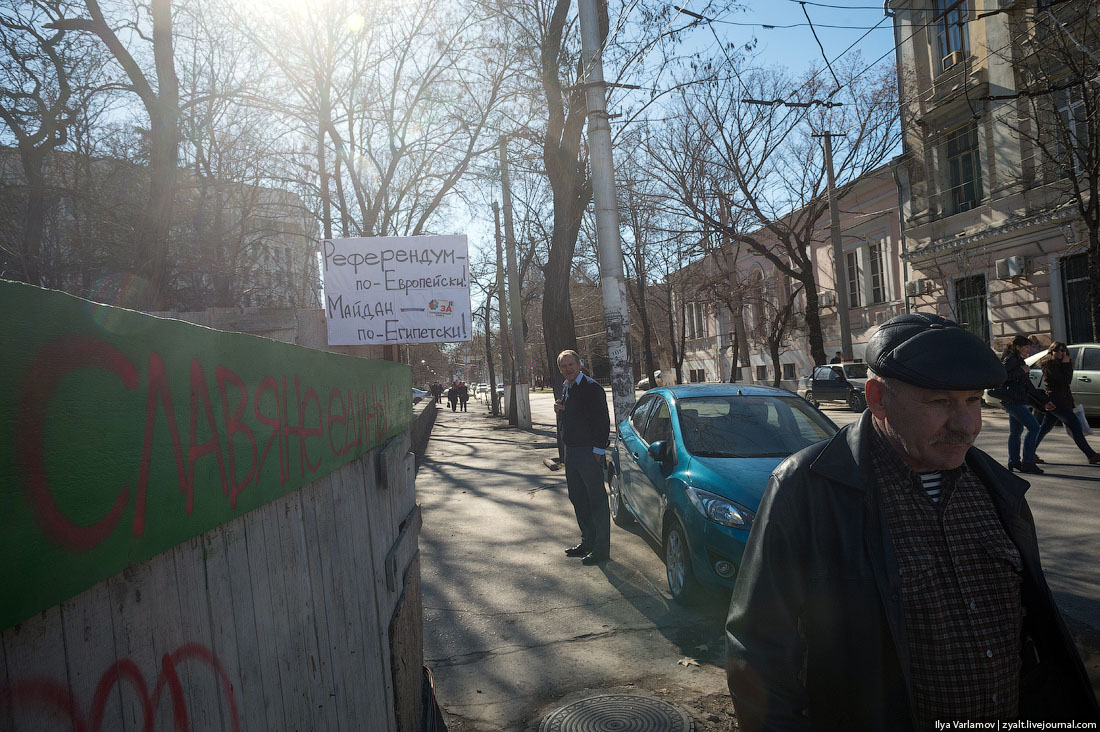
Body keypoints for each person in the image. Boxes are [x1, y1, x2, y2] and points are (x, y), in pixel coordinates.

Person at [726, 313, 1099, 732]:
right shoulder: (807, 489)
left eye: (973, 400)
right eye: (939, 402)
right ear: (877, 398)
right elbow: (757, 648)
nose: (966, 425)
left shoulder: (999, 489)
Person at [554, 349, 611, 566]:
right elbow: (572, 414)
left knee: (596, 501)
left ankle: (601, 550)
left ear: (579, 365)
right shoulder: (567, 387)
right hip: (572, 452)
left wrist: (598, 451)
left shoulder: (591, 387)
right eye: (563, 366)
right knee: (578, 498)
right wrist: (558, 409)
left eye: (571, 364)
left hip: (589, 452)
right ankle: (587, 542)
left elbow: (602, 421)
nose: (567, 369)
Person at [996, 334, 1055, 474]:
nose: (1028, 350)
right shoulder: (1011, 360)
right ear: (1017, 347)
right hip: (1012, 400)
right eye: (1026, 347)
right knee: (1034, 427)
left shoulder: (1019, 360)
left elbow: (1028, 385)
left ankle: (1014, 461)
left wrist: (1045, 401)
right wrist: (1021, 371)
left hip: (1016, 400)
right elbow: (1001, 377)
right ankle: (1028, 462)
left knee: (1016, 432)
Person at [1034, 342, 1100, 465]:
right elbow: (1065, 381)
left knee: (1044, 428)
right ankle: (1091, 455)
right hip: (1057, 402)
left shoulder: (1060, 364)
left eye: (1063, 350)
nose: (1061, 353)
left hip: (1062, 401)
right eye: (1058, 350)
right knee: (1075, 426)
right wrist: (1066, 364)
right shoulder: (1049, 365)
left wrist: (1066, 364)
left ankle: (1030, 452)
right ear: (1051, 352)